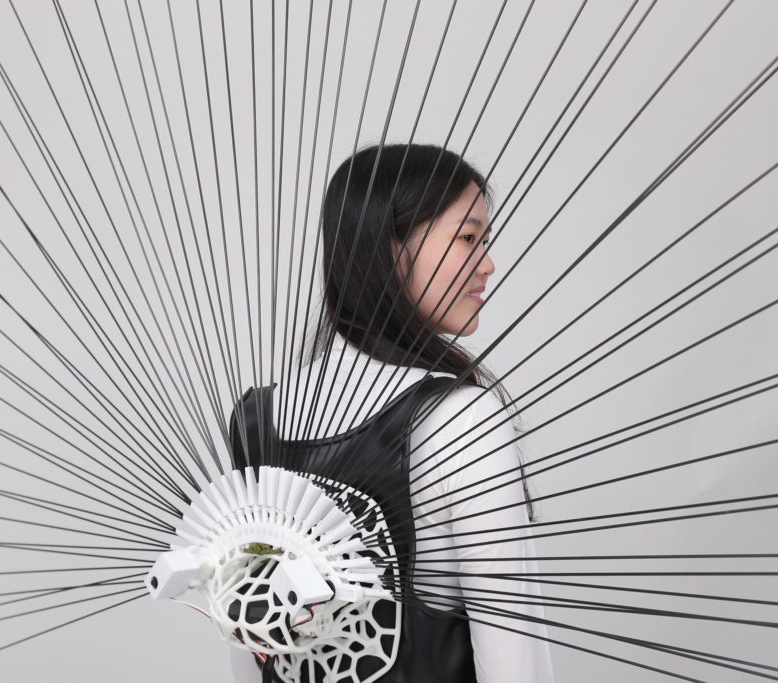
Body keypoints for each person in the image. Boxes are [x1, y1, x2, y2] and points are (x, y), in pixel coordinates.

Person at [229, 143, 555, 682]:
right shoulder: (462, 419)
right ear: (389, 246)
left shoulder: (258, 421)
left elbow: (248, 638)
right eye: (468, 238)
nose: (488, 263)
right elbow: (516, 664)